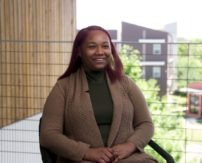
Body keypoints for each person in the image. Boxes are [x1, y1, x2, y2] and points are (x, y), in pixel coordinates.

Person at [40, 25, 156, 163]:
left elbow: (146, 124)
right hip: (81, 160)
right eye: (92, 46)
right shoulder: (63, 87)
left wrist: (130, 146)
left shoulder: (126, 84)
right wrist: (87, 152)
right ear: (79, 51)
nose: (100, 52)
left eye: (105, 46)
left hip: (127, 159)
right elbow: (48, 135)